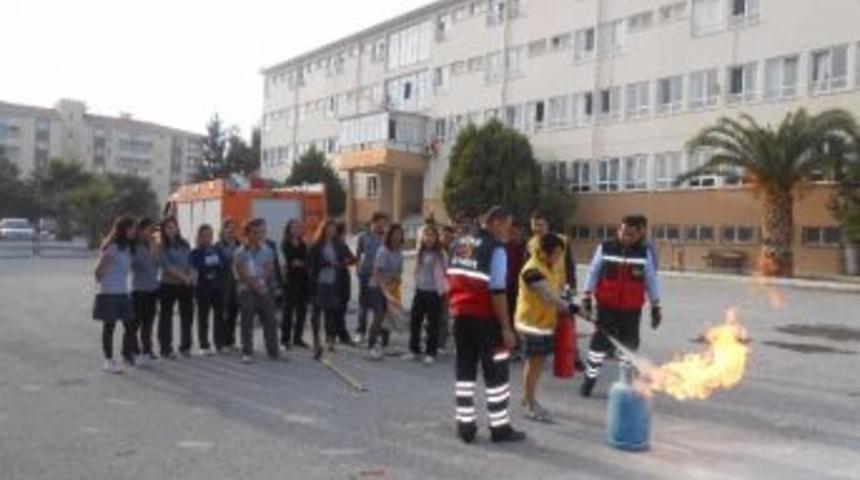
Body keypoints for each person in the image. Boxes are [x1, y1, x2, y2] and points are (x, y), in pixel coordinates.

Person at [448, 206, 525, 444]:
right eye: (507, 225)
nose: (508, 232)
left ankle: (465, 426)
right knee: (497, 374)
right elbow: (498, 291)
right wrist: (505, 327)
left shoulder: (458, 243)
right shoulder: (495, 249)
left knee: (465, 371)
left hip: (460, 316)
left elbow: (450, 278)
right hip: (486, 319)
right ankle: (500, 428)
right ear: (495, 222)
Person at [580, 214, 662, 398]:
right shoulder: (605, 247)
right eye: (623, 232)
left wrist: (656, 307)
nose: (626, 237)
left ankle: (625, 384)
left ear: (638, 235)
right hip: (606, 306)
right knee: (597, 346)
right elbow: (593, 272)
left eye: (631, 234)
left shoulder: (643, 253)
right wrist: (586, 297)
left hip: (631, 309)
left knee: (629, 347)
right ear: (619, 229)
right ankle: (589, 381)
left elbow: (651, 280)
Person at [515, 233, 581, 422]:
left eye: (561, 253)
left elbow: (556, 292)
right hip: (530, 323)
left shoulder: (549, 267)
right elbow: (549, 297)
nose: (559, 257)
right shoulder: (532, 271)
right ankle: (529, 403)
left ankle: (529, 398)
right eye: (557, 253)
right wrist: (573, 308)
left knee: (538, 362)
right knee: (533, 362)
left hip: (543, 321)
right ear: (543, 252)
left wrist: (568, 299)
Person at [92, 216, 137, 373]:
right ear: (124, 230)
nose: (134, 231)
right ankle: (108, 361)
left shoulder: (129, 248)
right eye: (132, 228)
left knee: (131, 325)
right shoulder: (112, 247)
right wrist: (104, 276)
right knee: (109, 327)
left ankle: (126, 356)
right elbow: (97, 272)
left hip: (123, 292)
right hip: (110, 293)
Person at [234, 218, 281, 363]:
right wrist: (256, 286)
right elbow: (242, 275)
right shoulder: (240, 252)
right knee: (247, 322)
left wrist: (263, 284)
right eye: (255, 233)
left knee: (270, 321)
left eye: (261, 232)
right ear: (247, 234)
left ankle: (273, 352)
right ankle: (247, 352)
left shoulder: (268, 250)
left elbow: (270, 270)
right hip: (247, 290)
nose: (258, 235)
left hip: (264, 289)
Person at [308, 220, 354, 358]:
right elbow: (310, 263)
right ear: (323, 229)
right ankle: (316, 342)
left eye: (333, 229)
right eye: (328, 228)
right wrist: (328, 263)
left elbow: (352, 258)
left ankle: (330, 339)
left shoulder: (339, 244)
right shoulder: (316, 245)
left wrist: (343, 263)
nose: (331, 231)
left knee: (331, 313)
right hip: (318, 283)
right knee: (316, 314)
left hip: (334, 283)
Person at [404, 224, 447, 365]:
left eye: (431, 235)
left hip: (434, 292)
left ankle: (431, 352)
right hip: (420, 290)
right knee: (415, 321)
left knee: (433, 324)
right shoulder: (420, 252)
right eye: (426, 235)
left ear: (436, 238)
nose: (428, 238)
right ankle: (414, 349)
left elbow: (447, 272)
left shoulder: (441, 254)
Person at [157, 216, 194, 359]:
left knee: (187, 317)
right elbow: (167, 266)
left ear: (178, 228)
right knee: (166, 317)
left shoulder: (185, 244)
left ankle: (185, 347)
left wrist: (191, 275)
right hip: (168, 285)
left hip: (186, 286)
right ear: (164, 230)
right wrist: (184, 277)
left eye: (174, 226)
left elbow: (190, 262)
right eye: (168, 227)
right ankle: (166, 349)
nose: (171, 230)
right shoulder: (161, 246)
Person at [367, 223, 405, 360]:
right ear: (390, 235)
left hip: (391, 286)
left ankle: (384, 344)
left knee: (388, 315)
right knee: (379, 314)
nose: (397, 236)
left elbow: (399, 270)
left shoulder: (399, 251)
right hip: (377, 286)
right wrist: (384, 289)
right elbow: (376, 272)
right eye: (395, 234)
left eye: (399, 234)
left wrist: (398, 279)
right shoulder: (383, 251)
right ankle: (371, 345)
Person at [190, 224, 228, 356]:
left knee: (219, 316)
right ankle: (204, 344)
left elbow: (223, 265)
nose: (208, 238)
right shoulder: (195, 252)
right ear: (199, 237)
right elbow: (196, 267)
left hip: (217, 288)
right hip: (203, 289)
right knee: (203, 317)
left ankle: (220, 343)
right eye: (205, 235)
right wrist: (208, 267)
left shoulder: (217, 250)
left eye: (210, 235)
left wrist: (216, 267)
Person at [354, 212, 388, 343]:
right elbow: (358, 253)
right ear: (374, 222)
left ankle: (376, 331)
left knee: (379, 306)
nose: (383, 226)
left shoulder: (386, 237)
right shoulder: (363, 237)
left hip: (381, 276)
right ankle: (360, 331)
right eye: (381, 222)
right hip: (366, 274)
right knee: (363, 304)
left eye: (384, 223)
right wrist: (357, 268)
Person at [131, 217, 159, 361]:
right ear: (141, 230)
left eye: (154, 230)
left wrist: (153, 248)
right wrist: (153, 249)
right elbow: (144, 265)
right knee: (136, 322)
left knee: (148, 322)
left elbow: (157, 264)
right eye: (150, 230)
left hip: (152, 288)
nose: (152, 233)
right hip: (139, 290)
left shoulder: (152, 245)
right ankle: (133, 348)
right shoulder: (135, 247)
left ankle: (147, 349)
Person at [280, 219, 310, 349]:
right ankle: (285, 340)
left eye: (299, 227)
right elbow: (293, 262)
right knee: (288, 311)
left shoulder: (303, 244)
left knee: (301, 311)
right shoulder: (285, 243)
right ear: (289, 229)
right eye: (294, 227)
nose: (297, 229)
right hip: (291, 280)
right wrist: (302, 263)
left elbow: (306, 261)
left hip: (303, 280)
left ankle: (298, 338)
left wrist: (302, 263)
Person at [215, 218, 241, 353]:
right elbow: (217, 263)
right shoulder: (218, 246)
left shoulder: (239, 244)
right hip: (223, 284)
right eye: (228, 228)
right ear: (223, 230)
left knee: (233, 313)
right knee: (222, 314)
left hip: (236, 284)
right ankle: (221, 343)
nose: (231, 231)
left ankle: (231, 341)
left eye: (233, 228)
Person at [505, 221, 527, 358]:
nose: (514, 234)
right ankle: (510, 347)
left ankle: (519, 346)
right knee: (508, 316)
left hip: (523, 288)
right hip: (507, 286)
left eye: (516, 232)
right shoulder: (505, 246)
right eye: (511, 232)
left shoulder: (527, 247)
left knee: (520, 318)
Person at [334, 222, 357, 345]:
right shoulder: (337, 244)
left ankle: (339, 334)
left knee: (340, 308)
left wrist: (345, 262)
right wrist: (344, 263)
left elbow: (353, 259)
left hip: (342, 279)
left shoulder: (342, 244)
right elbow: (352, 259)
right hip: (337, 280)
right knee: (338, 309)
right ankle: (341, 335)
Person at [437, 224, 457, 354]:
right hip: (435, 286)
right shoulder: (435, 250)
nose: (447, 239)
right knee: (435, 315)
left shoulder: (455, 250)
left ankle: (441, 343)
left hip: (449, 286)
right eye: (445, 236)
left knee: (444, 316)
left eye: (450, 237)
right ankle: (435, 340)